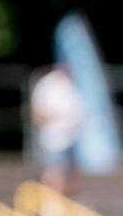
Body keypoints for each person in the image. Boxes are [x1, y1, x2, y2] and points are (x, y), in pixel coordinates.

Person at [30, 66, 85, 195]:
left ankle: (65, 202)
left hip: (71, 136)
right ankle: (51, 202)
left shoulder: (70, 83)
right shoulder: (48, 84)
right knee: (54, 172)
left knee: (71, 172)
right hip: (54, 138)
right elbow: (38, 112)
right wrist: (55, 120)